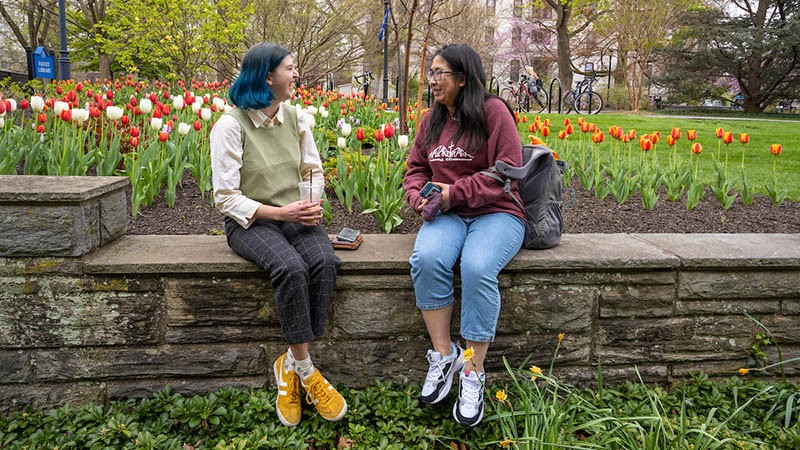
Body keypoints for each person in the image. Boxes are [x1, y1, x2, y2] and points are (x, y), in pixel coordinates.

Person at [209, 42, 346, 427]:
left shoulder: (297, 118)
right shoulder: (230, 126)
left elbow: (312, 171)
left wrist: (310, 202)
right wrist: (279, 211)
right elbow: (225, 198)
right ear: (267, 77)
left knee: (324, 261)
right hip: (251, 221)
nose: (296, 74)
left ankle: (289, 362)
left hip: (294, 214)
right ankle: (306, 369)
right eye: (290, 68)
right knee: (290, 267)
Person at [403, 44, 526, 427]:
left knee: (476, 266)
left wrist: (454, 193)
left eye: (440, 73)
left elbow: (506, 171)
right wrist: (418, 199)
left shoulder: (494, 112)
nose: (432, 80)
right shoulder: (431, 121)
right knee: (427, 259)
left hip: (497, 211)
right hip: (446, 213)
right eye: (431, 73)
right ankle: (445, 356)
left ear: (463, 79)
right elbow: (415, 171)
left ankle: (473, 371)